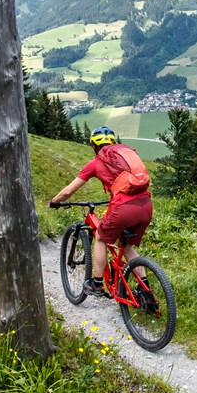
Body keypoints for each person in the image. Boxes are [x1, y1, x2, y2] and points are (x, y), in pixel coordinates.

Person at [50, 126, 153, 297]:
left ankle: (97, 284)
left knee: (100, 238)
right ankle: (145, 290)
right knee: (126, 245)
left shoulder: (96, 162)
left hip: (124, 208)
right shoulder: (125, 156)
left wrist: (54, 201)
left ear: (93, 146)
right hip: (145, 205)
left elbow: (68, 192)